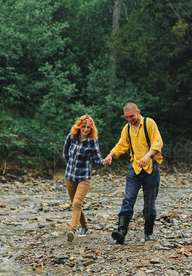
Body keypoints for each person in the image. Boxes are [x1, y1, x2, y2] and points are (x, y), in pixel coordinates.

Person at [102, 102, 163, 244]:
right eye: (126, 118)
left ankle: (148, 233)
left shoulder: (149, 123)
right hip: (134, 168)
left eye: (131, 117)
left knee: (149, 203)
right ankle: (121, 232)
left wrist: (147, 156)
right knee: (128, 199)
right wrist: (111, 155)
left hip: (151, 169)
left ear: (138, 112)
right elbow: (121, 145)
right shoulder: (127, 128)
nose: (129, 120)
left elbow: (157, 143)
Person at [62, 114, 102, 242]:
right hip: (70, 176)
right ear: (79, 127)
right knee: (75, 204)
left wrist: (104, 162)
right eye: (83, 127)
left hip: (84, 177)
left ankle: (72, 230)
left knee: (77, 203)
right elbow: (65, 151)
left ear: (91, 128)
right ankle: (85, 226)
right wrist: (69, 164)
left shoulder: (92, 141)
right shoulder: (72, 137)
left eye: (88, 127)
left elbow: (97, 158)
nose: (86, 129)